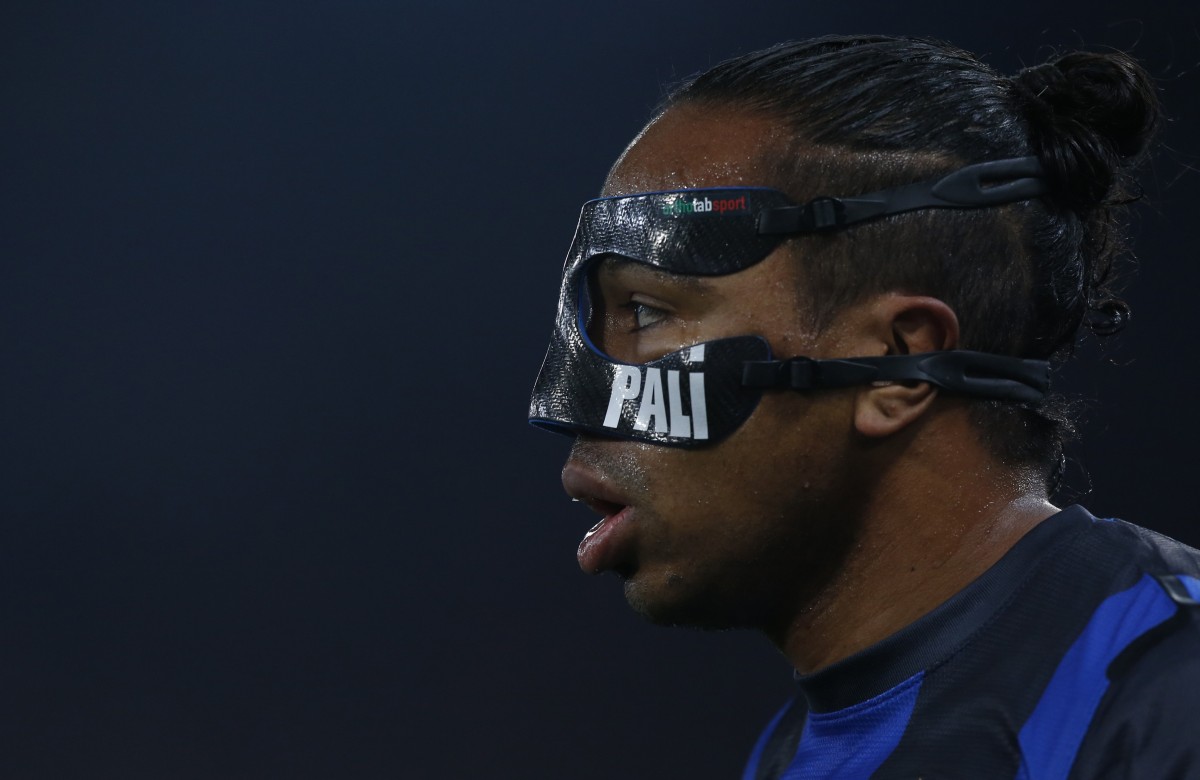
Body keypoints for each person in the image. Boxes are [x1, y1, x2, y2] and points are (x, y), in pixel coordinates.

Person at [528, 35, 1200, 777]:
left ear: (894, 364)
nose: (569, 407)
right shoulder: (795, 752)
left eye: (647, 312)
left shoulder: (1170, 693)